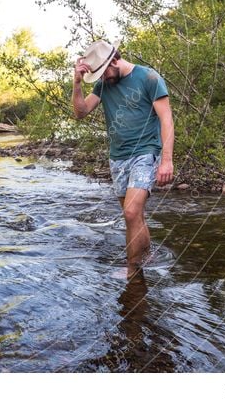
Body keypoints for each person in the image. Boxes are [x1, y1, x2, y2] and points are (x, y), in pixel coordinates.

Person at [72, 40, 174, 278]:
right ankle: (147, 257)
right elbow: (81, 113)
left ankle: (132, 270)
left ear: (115, 60)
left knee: (130, 213)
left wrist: (166, 160)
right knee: (134, 217)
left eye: (104, 71)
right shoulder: (104, 84)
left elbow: (167, 120)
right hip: (117, 157)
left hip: (146, 153)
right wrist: (77, 84)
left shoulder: (149, 78)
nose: (102, 77)